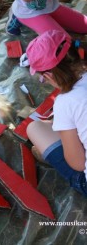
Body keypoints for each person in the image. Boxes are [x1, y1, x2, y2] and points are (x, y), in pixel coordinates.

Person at [25, 29, 87, 196]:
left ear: (49, 75)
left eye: (43, 78)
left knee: (34, 128)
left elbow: (78, 164)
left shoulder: (65, 102)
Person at [6, 0, 87, 36]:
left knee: (85, 26)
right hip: (29, 12)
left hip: (50, 5)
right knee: (62, 42)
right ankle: (16, 17)